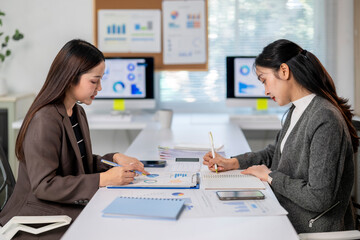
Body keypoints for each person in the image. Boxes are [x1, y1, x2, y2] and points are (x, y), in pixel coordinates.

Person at [203, 39, 359, 233]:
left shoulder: (324, 118)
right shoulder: (297, 109)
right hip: (289, 210)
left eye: (264, 80)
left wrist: (270, 176)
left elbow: (319, 198)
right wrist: (233, 162)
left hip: (311, 225)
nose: (266, 91)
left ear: (284, 71)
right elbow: (278, 152)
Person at [0, 39, 148, 239]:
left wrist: (114, 158)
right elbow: (45, 185)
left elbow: (77, 163)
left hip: (61, 207)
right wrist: (102, 179)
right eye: (94, 81)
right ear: (70, 78)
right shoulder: (45, 119)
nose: (100, 88)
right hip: (36, 219)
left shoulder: (76, 112)